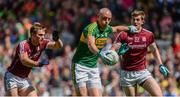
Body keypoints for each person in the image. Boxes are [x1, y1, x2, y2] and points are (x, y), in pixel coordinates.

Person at [71, 8, 138, 96]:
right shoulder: (91, 28)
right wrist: (100, 54)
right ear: (98, 17)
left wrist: (129, 28)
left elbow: (117, 28)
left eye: (109, 19)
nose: (106, 21)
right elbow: (91, 45)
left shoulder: (107, 28)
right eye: (104, 18)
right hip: (79, 66)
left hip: (93, 67)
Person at [111, 10, 170, 96]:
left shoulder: (148, 35)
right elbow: (112, 50)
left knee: (159, 95)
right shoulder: (123, 34)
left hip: (142, 72)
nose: (135, 22)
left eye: (138, 20)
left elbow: (154, 49)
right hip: (127, 74)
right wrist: (117, 53)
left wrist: (160, 64)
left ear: (142, 21)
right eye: (133, 19)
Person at [4, 22, 63, 96]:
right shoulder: (24, 45)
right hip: (12, 77)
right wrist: (38, 64)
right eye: (40, 35)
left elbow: (58, 46)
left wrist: (57, 39)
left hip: (24, 79)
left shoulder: (43, 43)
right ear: (33, 35)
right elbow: (24, 61)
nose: (43, 37)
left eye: (43, 35)